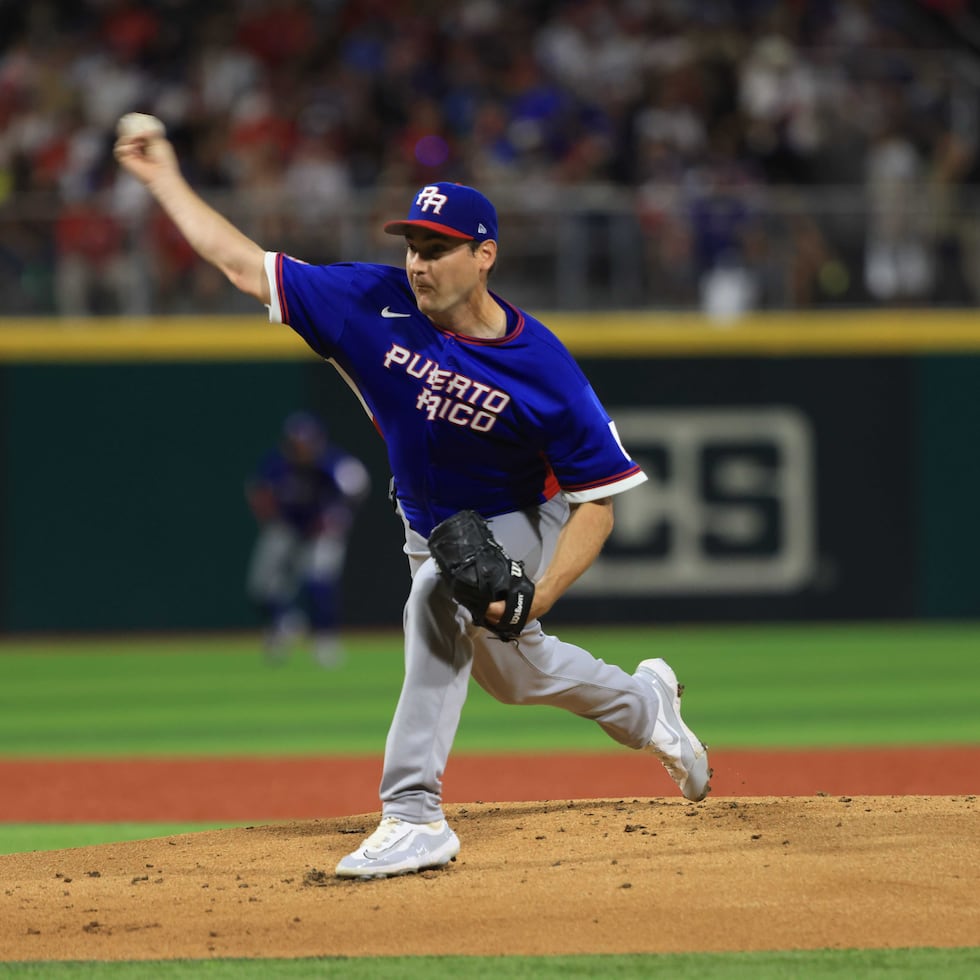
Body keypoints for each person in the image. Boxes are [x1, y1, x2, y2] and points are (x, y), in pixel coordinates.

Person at [114, 119, 712, 881]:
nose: (418, 264)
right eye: (412, 247)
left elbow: (600, 504)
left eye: (437, 249)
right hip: (428, 520)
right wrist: (163, 176)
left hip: (524, 514)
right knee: (512, 673)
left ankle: (413, 814)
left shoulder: (543, 368)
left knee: (439, 600)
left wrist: (538, 595)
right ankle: (646, 705)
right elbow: (240, 264)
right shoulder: (368, 303)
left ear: (483, 255)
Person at [245, 410, 370, 667]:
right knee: (261, 586)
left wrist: (337, 517)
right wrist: (270, 515)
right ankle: (285, 624)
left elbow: (357, 487)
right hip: (288, 525)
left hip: (320, 530)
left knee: (319, 584)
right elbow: (258, 490)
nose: (301, 447)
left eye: (305, 442)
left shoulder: (333, 463)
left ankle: (325, 640)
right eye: (296, 442)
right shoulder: (278, 464)